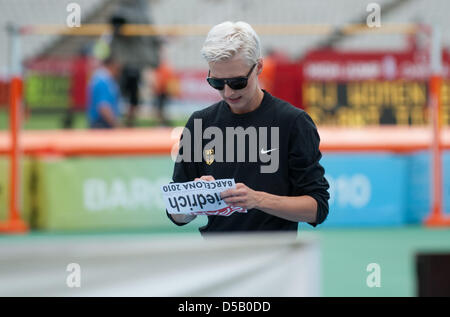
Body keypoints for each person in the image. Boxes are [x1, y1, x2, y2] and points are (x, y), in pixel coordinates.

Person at [166, 22, 329, 237]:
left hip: (274, 260)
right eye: (216, 82)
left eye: (237, 82)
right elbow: (176, 214)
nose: (227, 92)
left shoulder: (293, 122)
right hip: (219, 259)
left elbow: (317, 208)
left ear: (259, 67)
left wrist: (258, 199)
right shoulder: (200, 123)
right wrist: (196, 197)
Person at [86, 56, 121, 129]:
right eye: (117, 69)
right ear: (111, 66)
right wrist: (116, 124)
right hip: (102, 124)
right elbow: (103, 107)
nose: (118, 72)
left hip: (100, 123)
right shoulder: (104, 81)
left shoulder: (99, 78)